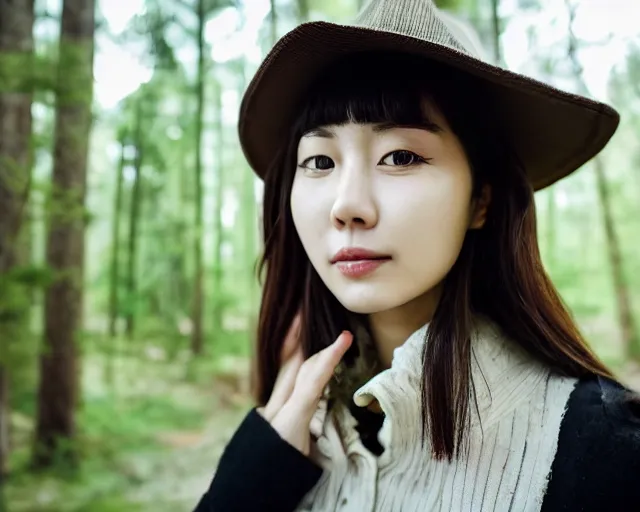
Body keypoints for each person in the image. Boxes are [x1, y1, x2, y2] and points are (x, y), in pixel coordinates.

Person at [194, 0, 640, 510]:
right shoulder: (289, 430)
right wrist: (249, 483)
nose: (347, 206)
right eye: (319, 160)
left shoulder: (606, 450)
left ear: (481, 200)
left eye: (400, 156)